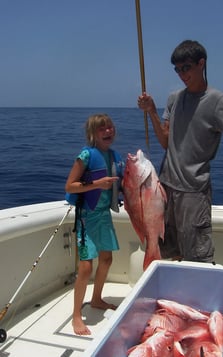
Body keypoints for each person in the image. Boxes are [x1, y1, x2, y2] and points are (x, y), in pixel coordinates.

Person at [138, 40, 223, 263]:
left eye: (186, 67)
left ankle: (198, 295)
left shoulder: (216, 100)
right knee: (170, 251)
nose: (181, 74)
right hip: (166, 188)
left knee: (198, 256)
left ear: (201, 64)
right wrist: (151, 111)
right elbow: (165, 143)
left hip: (194, 193)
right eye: (177, 69)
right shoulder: (174, 99)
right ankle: (175, 294)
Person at [65, 113, 124, 335]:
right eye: (102, 129)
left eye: (110, 127)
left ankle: (97, 299)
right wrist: (96, 184)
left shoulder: (116, 157)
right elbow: (70, 186)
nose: (108, 131)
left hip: (103, 216)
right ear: (93, 134)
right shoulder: (86, 155)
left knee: (107, 259)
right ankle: (76, 315)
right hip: (85, 218)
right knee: (86, 266)